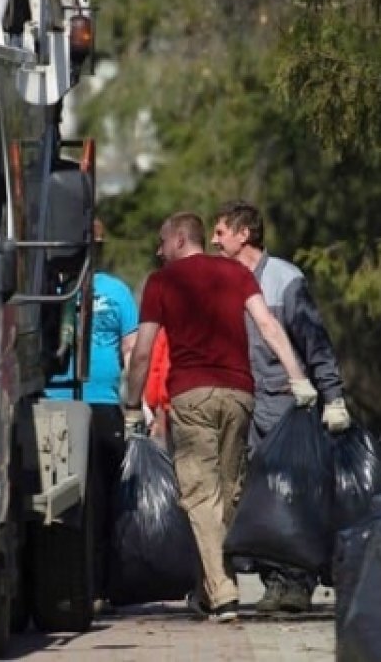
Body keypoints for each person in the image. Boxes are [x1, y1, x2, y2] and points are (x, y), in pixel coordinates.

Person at [124, 212, 316, 623]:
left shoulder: (163, 282)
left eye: (162, 243)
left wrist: (130, 403)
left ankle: (224, 594)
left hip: (191, 395)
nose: (159, 252)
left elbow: (142, 352)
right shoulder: (234, 273)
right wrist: (297, 376)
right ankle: (209, 588)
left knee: (199, 494)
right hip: (240, 394)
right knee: (229, 492)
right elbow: (267, 324)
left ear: (178, 240)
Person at [211, 199, 350, 613]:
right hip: (244, 402)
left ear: (244, 235)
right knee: (258, 497)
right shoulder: (225, 280)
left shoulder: (283, 280)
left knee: (291, 494)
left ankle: (297, 583)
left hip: (286, 404)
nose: (214, 240)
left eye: (221, 232)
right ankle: (275, 583)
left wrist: (333, 396)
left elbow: (313, 340)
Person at [45, 218, 138, 612]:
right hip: (54, 401)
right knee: (60, 501)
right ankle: (59, 584)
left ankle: (99, 586)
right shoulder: (48, 292)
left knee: (103, 498)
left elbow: (132, 350)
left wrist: (135, 403)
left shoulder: (117, 292)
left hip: (102, 403)